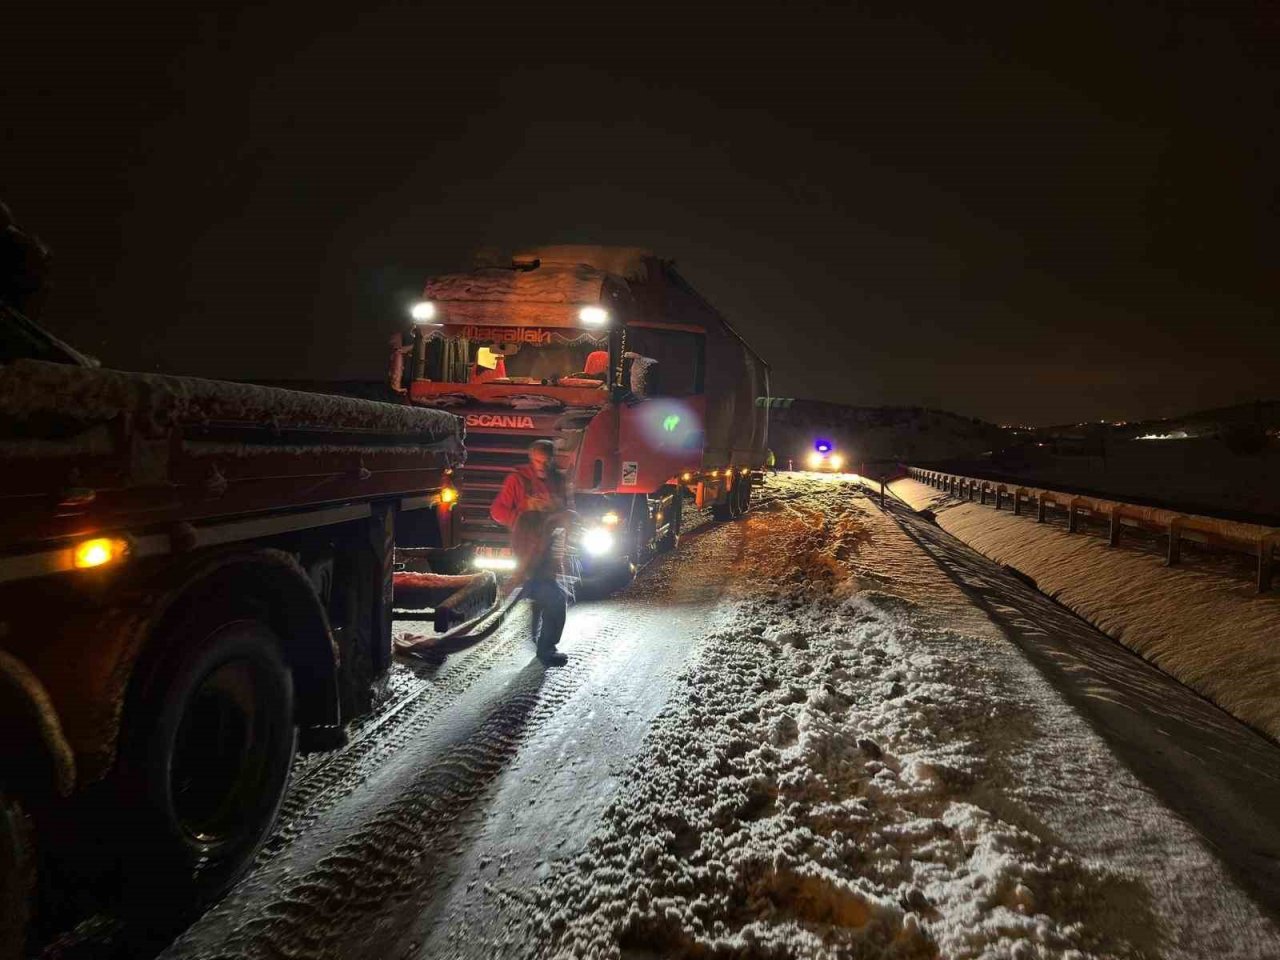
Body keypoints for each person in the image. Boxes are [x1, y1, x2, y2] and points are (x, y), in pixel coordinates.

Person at [490, 440, 575, 664]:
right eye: (538, 461)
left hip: (548, 552)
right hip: (528, 551)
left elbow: (567, 512)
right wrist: (523, 512)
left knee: (543, 596)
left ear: (552, 459)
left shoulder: (559, 481)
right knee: (555, 599)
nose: (542, 466)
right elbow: (497, 512)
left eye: (546, 461)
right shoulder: (517, 480)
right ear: (531, 458)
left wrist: (556, 508)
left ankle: (539, 639)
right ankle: (546, 649)